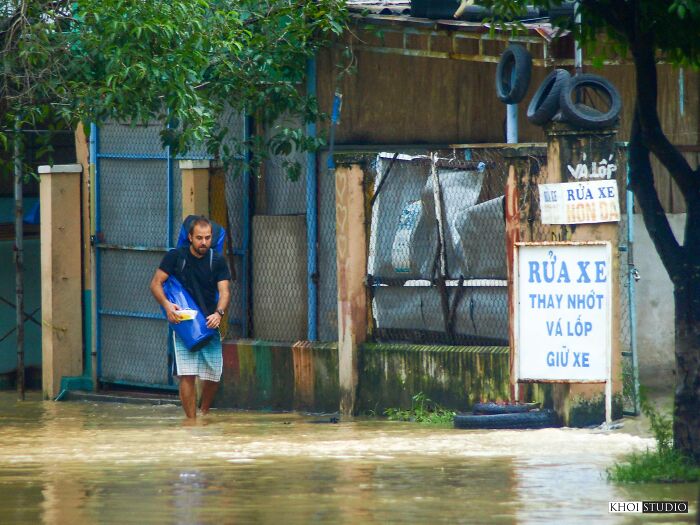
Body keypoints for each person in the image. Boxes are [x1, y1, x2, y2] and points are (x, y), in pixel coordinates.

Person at [150, 216, 231, 419]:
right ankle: (191, 421)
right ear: (190, 237)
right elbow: (155, 284)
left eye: (208, 238)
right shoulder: (175, 257)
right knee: (187, 374)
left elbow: (225, 292)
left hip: (210, 323)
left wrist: (218, 314)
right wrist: (167, 306)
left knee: (213, 375)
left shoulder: (217, 260)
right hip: (184, 324)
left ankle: (204, 413)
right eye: (199, 238)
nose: (204, 242)